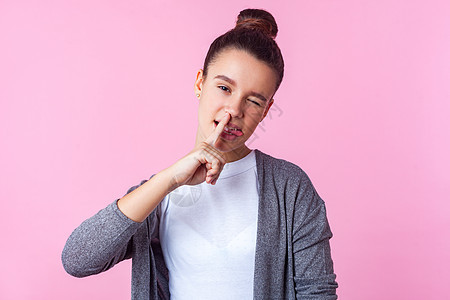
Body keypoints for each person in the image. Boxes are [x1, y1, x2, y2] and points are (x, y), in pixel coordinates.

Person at [62, 8, 338, 300]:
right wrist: (167, 182)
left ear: (267, 110)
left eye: (254, 102)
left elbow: (317, 293)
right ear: (199, 84)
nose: (234, 111)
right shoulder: (162, 192)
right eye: (223, 87)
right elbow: (78, 260)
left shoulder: (289, 188)